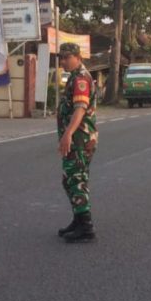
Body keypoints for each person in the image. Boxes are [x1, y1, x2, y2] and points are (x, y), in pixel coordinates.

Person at [55, 42, 98, 243]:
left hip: (80, 139)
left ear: (77, 57)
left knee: (77, 180)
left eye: (66, 57)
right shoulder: (74, 76)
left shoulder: (81, 78)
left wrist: (68, 134)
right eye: (60, 58)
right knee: (69, 179)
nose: (63, 61)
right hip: (76, 138)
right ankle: (78, 219)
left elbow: (80, 108)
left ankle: (86, 227)